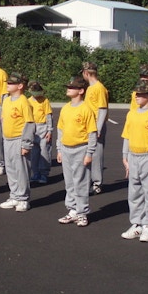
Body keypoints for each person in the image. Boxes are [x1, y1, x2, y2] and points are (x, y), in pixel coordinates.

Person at [121, 79, 148, 242]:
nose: (137, 96)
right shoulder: (131, 114)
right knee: (135, 192)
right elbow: (126, 135)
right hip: (133, 157)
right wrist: (125, 156)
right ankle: (137, 224)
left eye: (141, 94)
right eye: (136, 93)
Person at [57, 76, 97, 227]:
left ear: (81, 91)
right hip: (66, 149)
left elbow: (92, 133)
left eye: (72, 87)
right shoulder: (65, 108)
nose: (69, 89)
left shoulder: (86, 109)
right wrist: (59, 149)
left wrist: (89, 153)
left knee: (81, 182)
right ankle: (72, 210)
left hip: (81, 149)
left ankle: (82, 213)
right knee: (69, 183)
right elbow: (60, 130)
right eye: (68, 86)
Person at [0, 73, 35, 212]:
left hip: (19, 140)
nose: (8, 84)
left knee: (21, 171)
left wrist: (26, 143)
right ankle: (14, 196)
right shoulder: (7, 100)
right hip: (8, 140)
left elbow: (29, 124)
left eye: (11, 83)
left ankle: (23, 198)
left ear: (20, 86)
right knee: (11, 170)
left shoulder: (23, 102)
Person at [80, 61, 109, 195]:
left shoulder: (99, 88)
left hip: (96, 126)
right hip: (89, 126)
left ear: (86, 73)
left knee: (96, 154)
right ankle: (90, 180)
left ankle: (97, 182)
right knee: (89, 152)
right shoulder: (91, 88)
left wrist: (98, 128)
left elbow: (102, 109)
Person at [27, 81, 53, 184]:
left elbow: (48, 116)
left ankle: (44, 174)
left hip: (43, 128)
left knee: (45, 152)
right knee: (34, 153)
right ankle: (36, 172)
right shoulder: (28, 101)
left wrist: (49, 130)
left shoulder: (44, 101)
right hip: (33, 128)